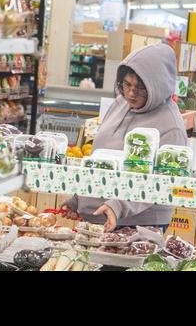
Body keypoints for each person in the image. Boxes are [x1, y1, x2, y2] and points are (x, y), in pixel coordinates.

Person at [61, 43, 188, 232]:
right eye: (127, 84)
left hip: (137, 224)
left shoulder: (171, 126)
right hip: (100, 217)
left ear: (158, 86)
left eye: (140, 88)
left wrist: (118, 206)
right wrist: (80, 198)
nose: (131, 93)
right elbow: (103, 159)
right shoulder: (121, 103)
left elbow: (165, 181)